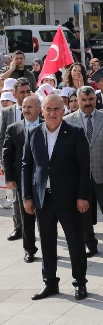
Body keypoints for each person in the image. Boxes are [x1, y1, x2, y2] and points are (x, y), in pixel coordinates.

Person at [22, 94, 91, 300]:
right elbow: (27, 166)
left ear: (63, 111)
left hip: (70, 199)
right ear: (41, 111)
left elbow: (83, 167)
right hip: (43, 198)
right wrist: (27, 196)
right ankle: (50, 283)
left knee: (75, 242)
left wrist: (82, 196)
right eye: (48, 109)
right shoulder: (33, 133)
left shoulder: (76, 133)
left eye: (56, 109)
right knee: (47, 242)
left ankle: (80, 283)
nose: (52, 113)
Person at [65, 86, 103, 257]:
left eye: (91, 100)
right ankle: (89, 243)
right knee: (84, 212)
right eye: (84, 100)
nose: (88, 103)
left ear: (95, 100)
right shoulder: (68, 120)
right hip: (80, 176)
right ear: (77, 101)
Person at [3, 94, 39, 263]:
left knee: (47, 216)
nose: (26, 110)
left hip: (44, 179)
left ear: (39, 109)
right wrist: (9, 178)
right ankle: (29, 249)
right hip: (22, 179)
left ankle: (49, 247)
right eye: (24, 107)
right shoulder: (13, 128)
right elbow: (7, 155)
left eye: (30, 107)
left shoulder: (49, 126)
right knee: (26, 216)